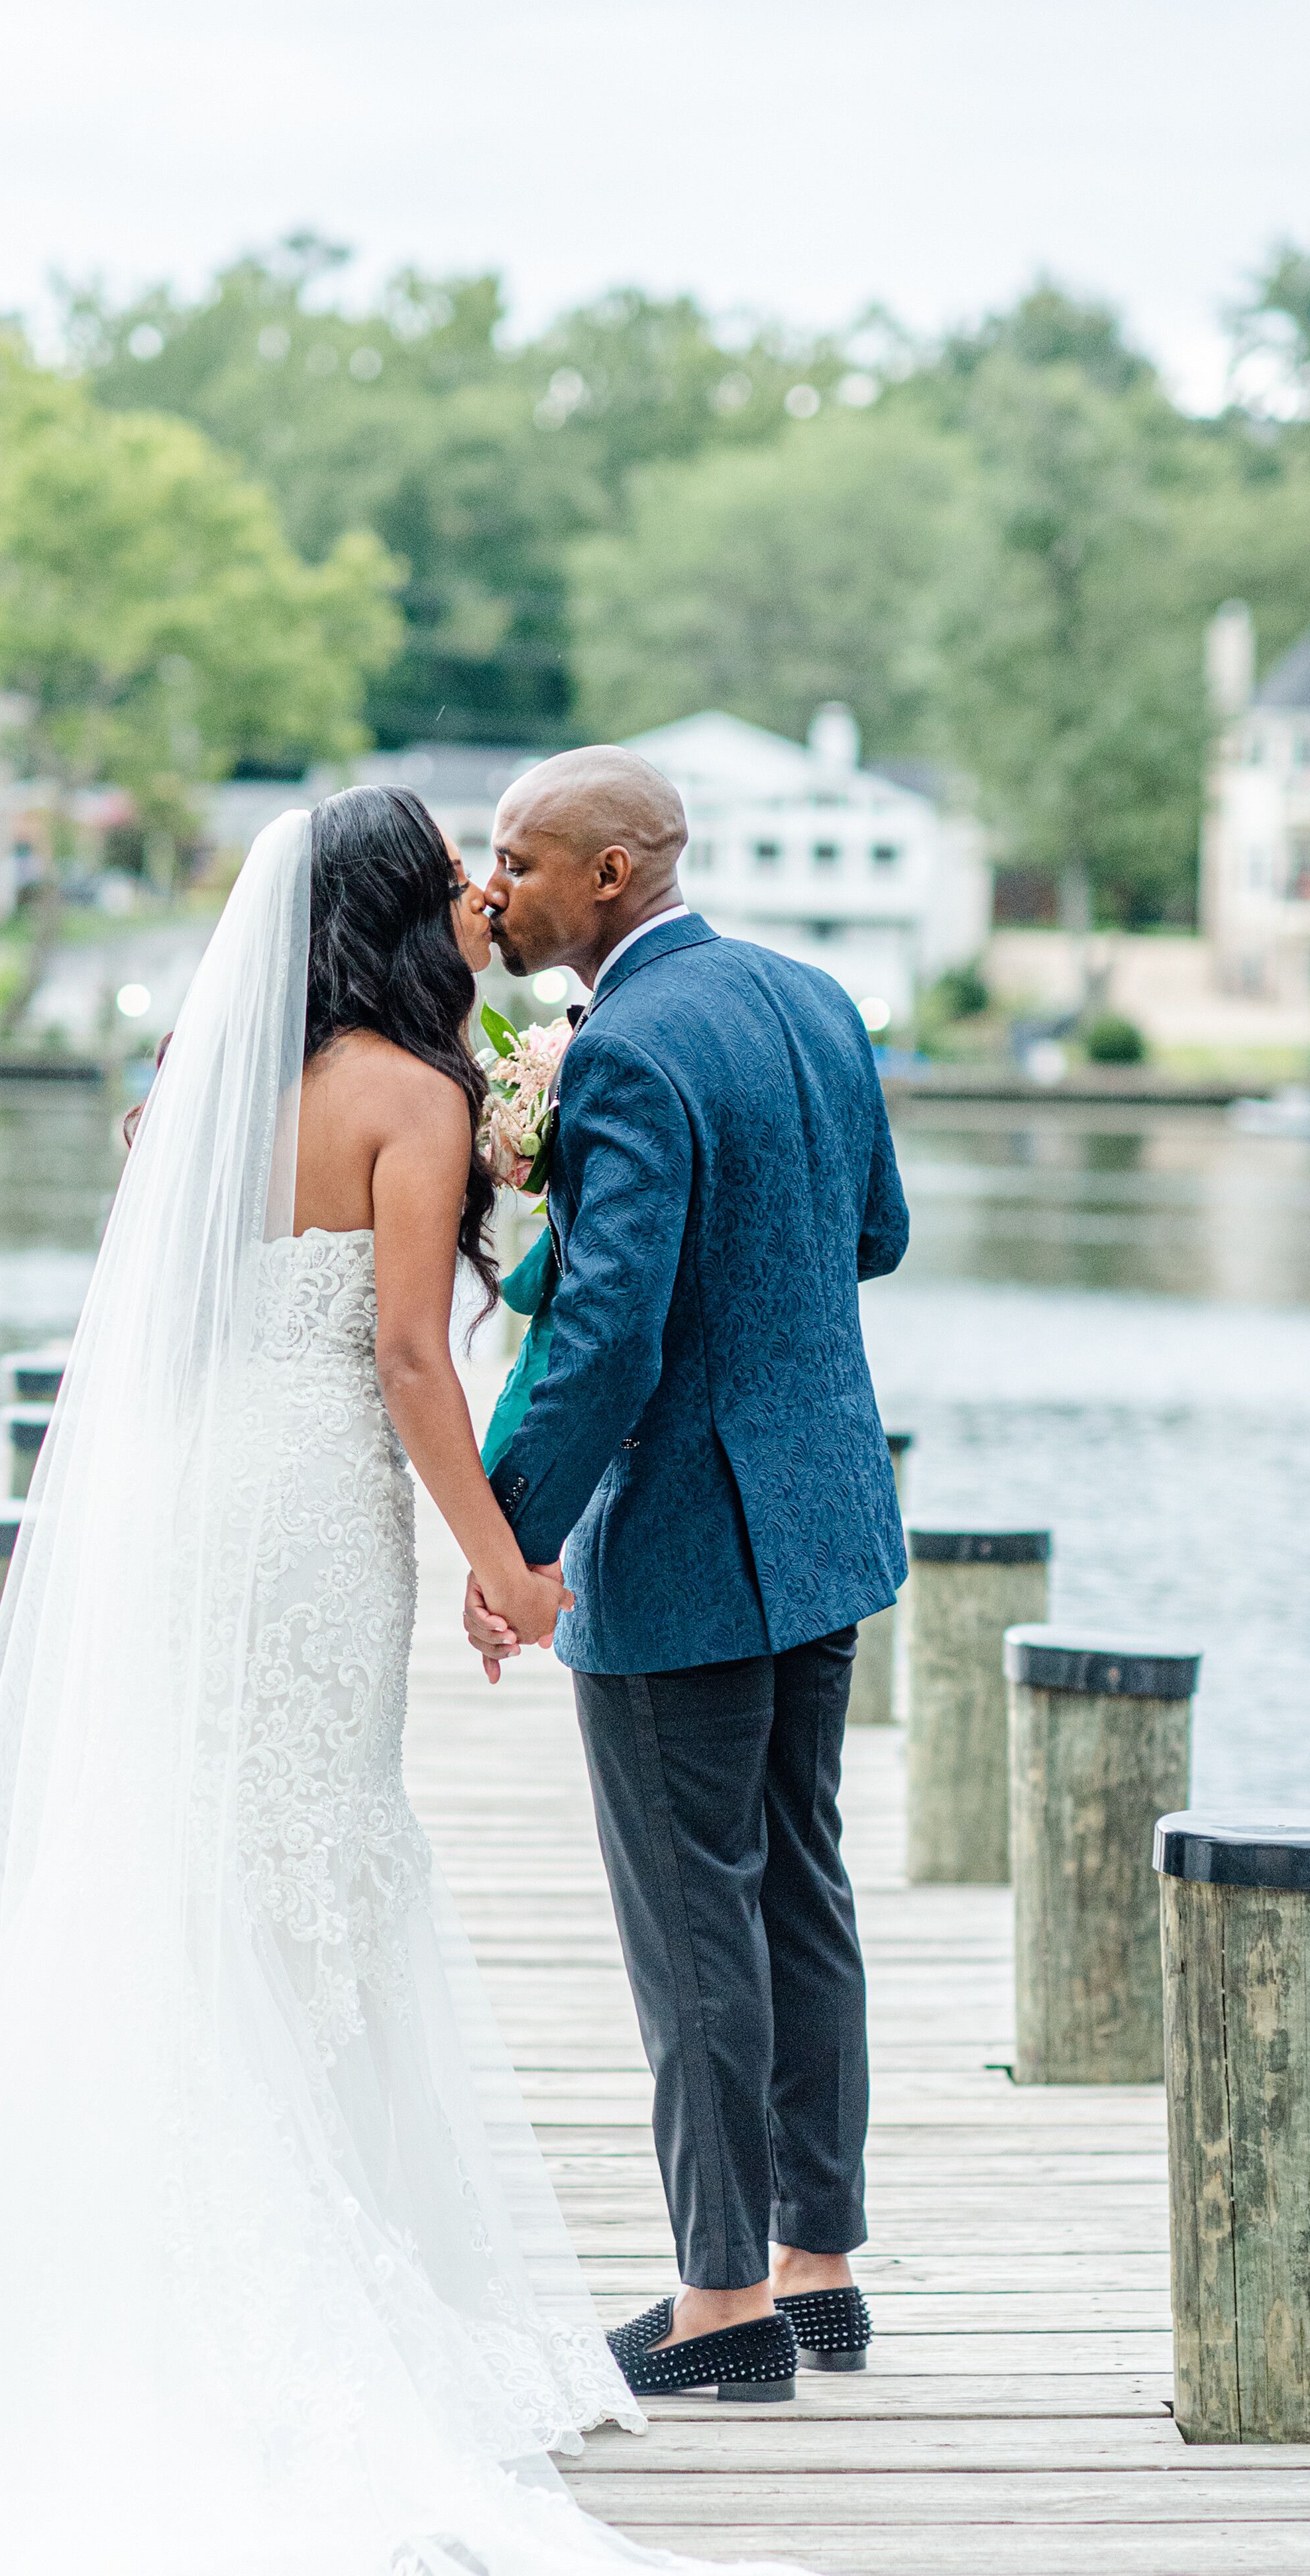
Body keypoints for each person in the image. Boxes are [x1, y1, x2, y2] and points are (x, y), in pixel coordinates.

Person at [0, 785, 861, 2576]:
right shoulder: (412, 1096)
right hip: (317, 1518)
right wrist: (506, 1556)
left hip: (187, 1513)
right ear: (412, 915)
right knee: (320, 1866)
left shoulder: (198, 1093)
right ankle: (380, 2308)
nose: (485, 907)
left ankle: (117, 2306)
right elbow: (411, 1357)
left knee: (183, 1872)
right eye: (457, 887)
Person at [465, 748, 909, 2406]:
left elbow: (610, 1338)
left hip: (683, 1537)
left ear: (611, 876)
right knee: (802, 1882)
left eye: (517, 858)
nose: (490, 886)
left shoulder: (629, 1046)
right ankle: (822, 2270)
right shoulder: (812, 996)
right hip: (823, 1519)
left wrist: (511, 1538)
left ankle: (721, 2304)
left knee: (690, 1916)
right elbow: (876, 1235)